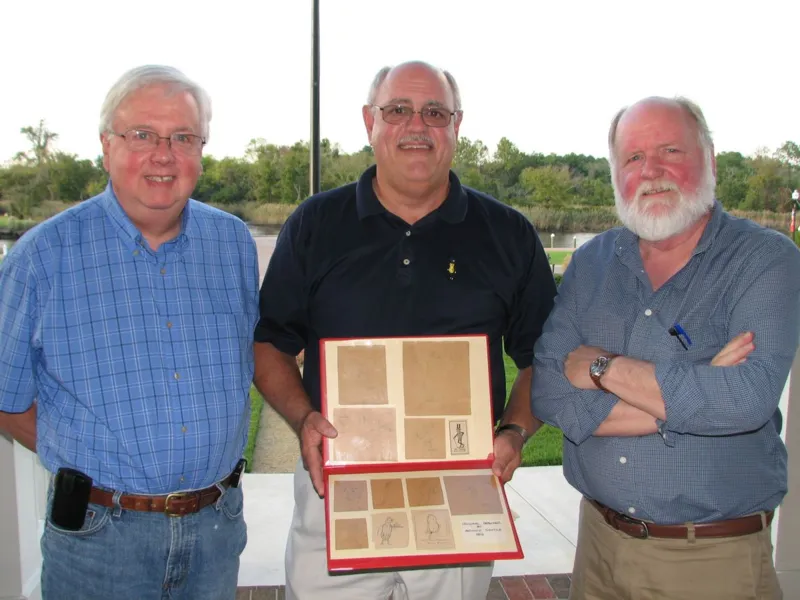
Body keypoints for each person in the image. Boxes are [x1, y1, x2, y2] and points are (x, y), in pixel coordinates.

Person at [253, 61, 557, 600]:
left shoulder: (507, 233)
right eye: (398, 110)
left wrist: (513, 433)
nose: (417, 126)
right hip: (337, 484)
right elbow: (271, 344)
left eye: (434, 112)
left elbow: (543, 358)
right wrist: (303, 420)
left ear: (457, 126)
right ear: (370, 121)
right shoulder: (316, 224)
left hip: (459, 487)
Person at [0, 65, 259, 600]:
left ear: (201, 150)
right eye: (142, 135)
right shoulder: (42, 257)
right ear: (106, 145)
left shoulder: (232, 244)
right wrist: (89, 464)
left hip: (216, 530)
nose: (163, 154)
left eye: (183, 137)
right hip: (99, 542)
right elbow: (6, 398)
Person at [531, 96, 800, 600]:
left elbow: (744, 400)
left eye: (670, 150)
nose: (651, 171)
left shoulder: (764, 261)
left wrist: (601, 367)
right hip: (597, 551)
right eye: (632, 157)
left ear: (710, 160)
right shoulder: (592, 264)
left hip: (711, 564)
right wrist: (688, 390)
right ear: (616, 174)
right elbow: (548, 392)